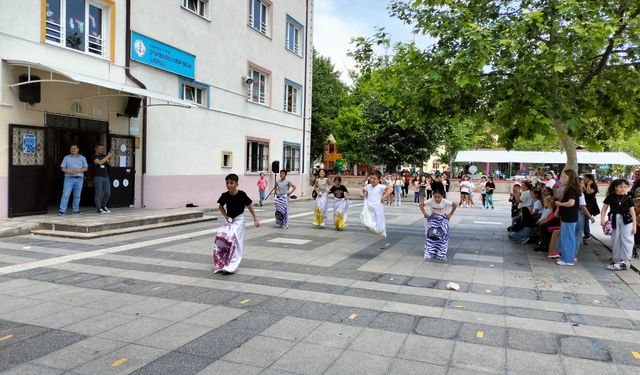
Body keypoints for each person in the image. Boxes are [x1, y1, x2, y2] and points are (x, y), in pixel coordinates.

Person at [213, 173, 260, 274]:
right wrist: (227, 217)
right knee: (222, 238)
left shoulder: (242, 194)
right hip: (229, 220)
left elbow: (250, 206)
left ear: (236, 184)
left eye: (231, 183)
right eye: (227, 183)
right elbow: (220, 207)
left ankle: (233, 264)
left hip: (239, 220)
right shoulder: (225, 195)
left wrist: (255, 218)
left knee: (236, 240)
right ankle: (223, 261)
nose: (229, 185)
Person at [601, 179, 636, 270]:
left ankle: (626, 260)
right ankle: (617, 259)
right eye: (621, 186)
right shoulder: (610, 197)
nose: (623, 189)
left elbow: (632, 213)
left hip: (627, 220)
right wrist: (602, 219)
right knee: (615, 239)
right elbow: (604, 209)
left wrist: (634, 225)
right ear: (616, 187)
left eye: (625, 187)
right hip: (614, 220)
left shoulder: (629, 198)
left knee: (627, 239)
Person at [420, 182, 457, 260]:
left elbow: (455, 205)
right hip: (433, 219)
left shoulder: (445, 201)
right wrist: (425, 213)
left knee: (442, 236)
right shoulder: (430, 200)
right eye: (435, 197)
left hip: (442, 220)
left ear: (442, 196)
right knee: (430, 235)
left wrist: (450, 214)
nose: (437, 199)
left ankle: (440, 253)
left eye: (438, 197)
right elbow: (421, 204)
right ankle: (430, 252)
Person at [555, 169, 581, 266]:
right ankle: (568, 257)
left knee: (567, 238)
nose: (563, 179)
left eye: (565, 177)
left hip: (569, 217)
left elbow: (571, 203)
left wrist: (559, 203)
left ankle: (567, 259)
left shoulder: (571, 189)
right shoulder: (571, 188)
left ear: (570, 178)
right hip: (569, 217)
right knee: (568, 237)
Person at [360, 170, 392, 237]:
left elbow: (390, 189)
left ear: (379, 180)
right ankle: (373, 228)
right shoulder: (368, 186)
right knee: (367, 220)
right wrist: (361, 194)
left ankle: (380, 231)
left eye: (374, 178)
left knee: (379, 220)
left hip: (378, 207)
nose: (372, 180)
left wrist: (384, 197)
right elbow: (362, 190)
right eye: (371, 178)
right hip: (369, 206)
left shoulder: (380, 186)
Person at [58, 144, 88, 216]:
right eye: (71, 149)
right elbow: (62, 168)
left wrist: (79, 170)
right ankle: (62, 210)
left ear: (78, 149)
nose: (73, 150)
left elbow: (86, 168)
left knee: (77, 195)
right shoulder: (66, 158)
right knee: (65, 194)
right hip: (69, 178)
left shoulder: (82, 158)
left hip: (79, 179)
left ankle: (76, 210)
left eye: (74, 148)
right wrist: (69, 171)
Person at [92, 144, 113, 214]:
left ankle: (104, 205)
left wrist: (111, 157)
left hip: (106, 177)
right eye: (100, 149)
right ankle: (98, 208)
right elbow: (99, 162)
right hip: (98, 177)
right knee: (98, 193)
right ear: (96, 149)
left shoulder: (104, 156)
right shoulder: (94, 156)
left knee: (108, 193)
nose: (101, 150)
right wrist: (107, 156)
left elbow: (110, 163)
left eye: (102, 149)